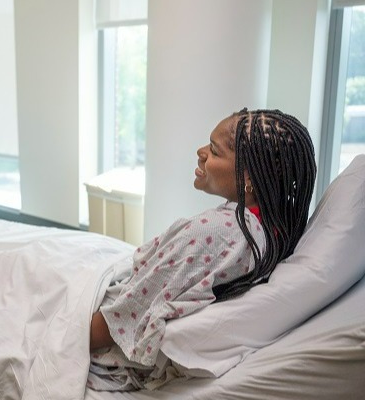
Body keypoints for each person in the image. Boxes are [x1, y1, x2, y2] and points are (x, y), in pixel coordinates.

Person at [86, 108, 316, 391]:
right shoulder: (270, 229)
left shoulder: (216, 233)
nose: (201, 151)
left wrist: (67, 336)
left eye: (215, 151)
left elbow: (122, 319)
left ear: (250, 179)